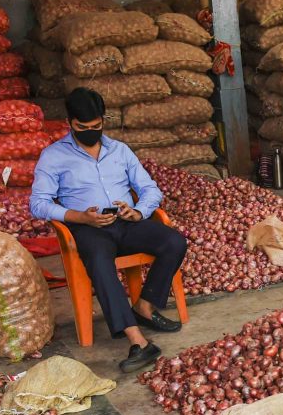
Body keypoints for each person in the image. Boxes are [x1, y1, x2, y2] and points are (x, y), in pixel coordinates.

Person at [30, 88, 188, 373]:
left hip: (126, 223)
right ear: (70, 122)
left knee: (174, 241)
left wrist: (138, 211)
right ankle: (138, 340)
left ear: (103, 120)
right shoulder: (53, 156)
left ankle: (145, 307)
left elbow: (150, 189)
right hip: (89, 229)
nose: (90, 132)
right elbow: (38, 204)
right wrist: (79, 216)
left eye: (96, 126)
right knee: (100, 264)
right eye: (83, 128)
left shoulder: (120, 150)